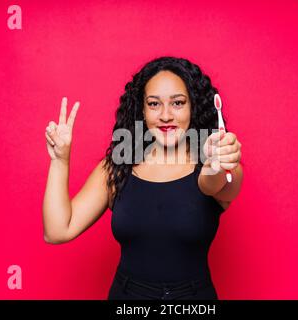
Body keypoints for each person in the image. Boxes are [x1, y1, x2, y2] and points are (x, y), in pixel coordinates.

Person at [43, 56, 243, 300]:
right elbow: (57, 231)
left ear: (194, 106)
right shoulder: (117, 168)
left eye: (178, 103)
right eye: (154, 104)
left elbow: (212, 183)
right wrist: (60, 160)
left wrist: (216, 162)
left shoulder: (218, 166)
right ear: (142, 109)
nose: (166, 115)